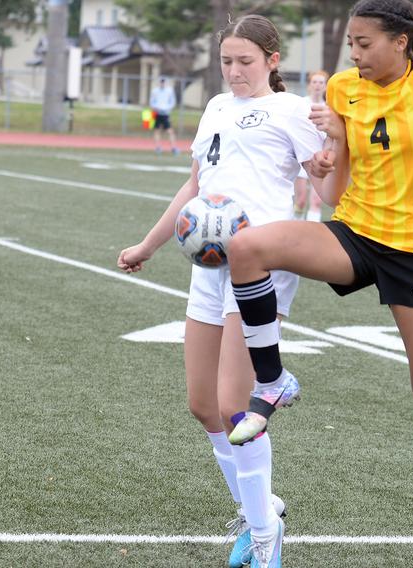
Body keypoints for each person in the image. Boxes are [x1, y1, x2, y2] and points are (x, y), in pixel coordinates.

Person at [225, 0, 413, 554]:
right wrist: (327, 155)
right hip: (354, 234)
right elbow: (334, 191)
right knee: (246, 247)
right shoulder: (341, 88)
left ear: (401, 41)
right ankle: (272, 382)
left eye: (364, 43)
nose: (354, 53)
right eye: (351, 44)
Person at [117, 15, 326, 568]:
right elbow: (194, 186)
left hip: (260, 265)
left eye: (246, 62)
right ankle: (264, 510)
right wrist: (148, 245)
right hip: (206, 264)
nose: (234, 72)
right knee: (202, 405)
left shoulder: (294, 110)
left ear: (272, 60)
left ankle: (264, 538)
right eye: (227, 61)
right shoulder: (214, 107)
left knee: (237, 409)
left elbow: (325, 182)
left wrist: (337, 150)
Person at [293, 70, 329, 222]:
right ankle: (295, 231)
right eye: (314, 82)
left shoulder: (329, 107)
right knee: (300, 201)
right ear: (309, 85)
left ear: (326, 86)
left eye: (321, 82)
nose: (317, 85)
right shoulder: (301, 104)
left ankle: (311, 239)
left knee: (316, 201)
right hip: (302, 157)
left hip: (320, 157)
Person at [150, 77, 179, 155]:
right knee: (157, 131)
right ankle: (158, 147)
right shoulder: (155, 91)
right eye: (161, 82)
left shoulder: (169, 91)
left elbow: (172, 101)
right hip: (157, 113)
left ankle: (173, 148)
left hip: (165, 114)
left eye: (163, 82)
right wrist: (155, 107)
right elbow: (152, 101)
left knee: (170, 131)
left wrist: (167, 108)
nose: (162, 83)